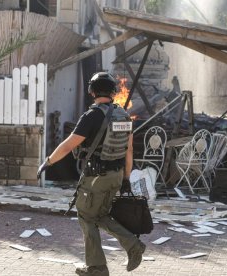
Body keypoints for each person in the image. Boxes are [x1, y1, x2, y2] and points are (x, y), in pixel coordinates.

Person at [37, 72, 146, 276]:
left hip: (96, 177)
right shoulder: (123, 114)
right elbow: (129, 150)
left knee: (85, 215)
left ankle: (104, 263)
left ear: (92, 91)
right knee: (99, 215)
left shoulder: (91, 116)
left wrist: (48, 161)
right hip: (116, 176)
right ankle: (119, 254)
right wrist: (125, 178)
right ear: (113, 91)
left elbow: (68, 145)